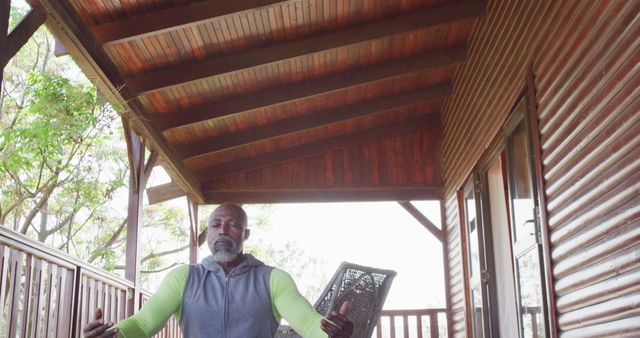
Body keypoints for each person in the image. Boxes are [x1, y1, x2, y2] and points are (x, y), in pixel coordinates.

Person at [83, 203, 353, 338]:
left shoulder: (272, 279)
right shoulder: (183, 277)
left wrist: (330, 332)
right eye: (215, 225)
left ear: (245, 233)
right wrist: (114, 334)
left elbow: (307, 323)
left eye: (232, 224)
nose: (223, 230)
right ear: (208, 234)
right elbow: (143, 324)